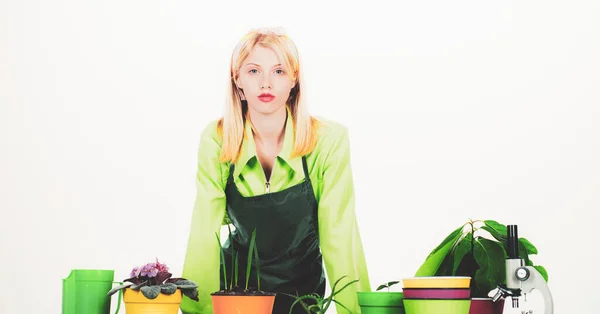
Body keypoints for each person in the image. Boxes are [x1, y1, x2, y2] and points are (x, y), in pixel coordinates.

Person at [180, 27, 371, 314]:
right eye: (254, 71)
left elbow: (339, 233)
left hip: (302, 296)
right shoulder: (217, 139)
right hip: (236, 295)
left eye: (279, 71)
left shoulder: (328, 141)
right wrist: (199, 310)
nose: (266, 83)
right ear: (238, 80)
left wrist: (357, 311)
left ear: (294, 80)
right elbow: (204, 229)